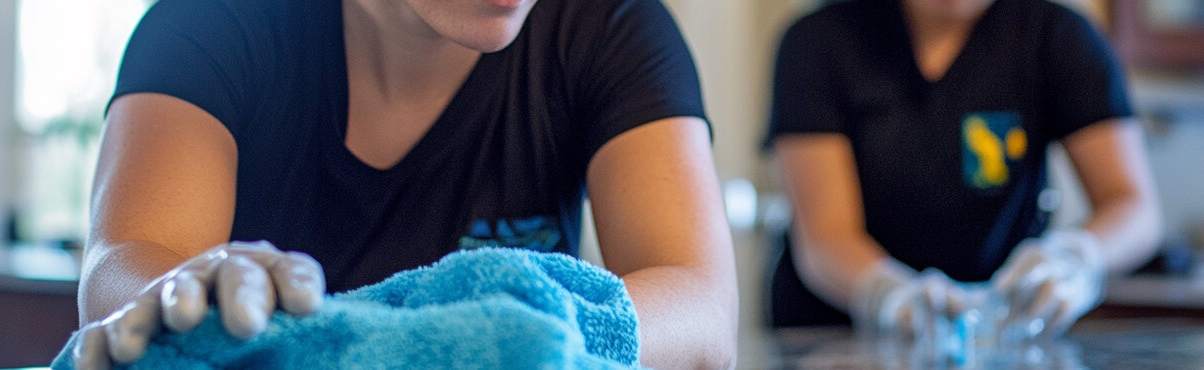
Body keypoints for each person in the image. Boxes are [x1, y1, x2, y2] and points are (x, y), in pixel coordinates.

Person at [70, 0, 739, 368]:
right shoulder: (209, 23)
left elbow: (704, 312)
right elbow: (124, 265)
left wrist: (523, 339)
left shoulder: (612, 24)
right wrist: (186, 292)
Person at [765, 0, 1162, 339]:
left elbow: (1133, 207)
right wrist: (887, 293)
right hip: (841, 335)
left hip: (1001, 331)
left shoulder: (1056, 36)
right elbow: (826, 236)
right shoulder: (819, 41)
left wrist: (1077, 257)